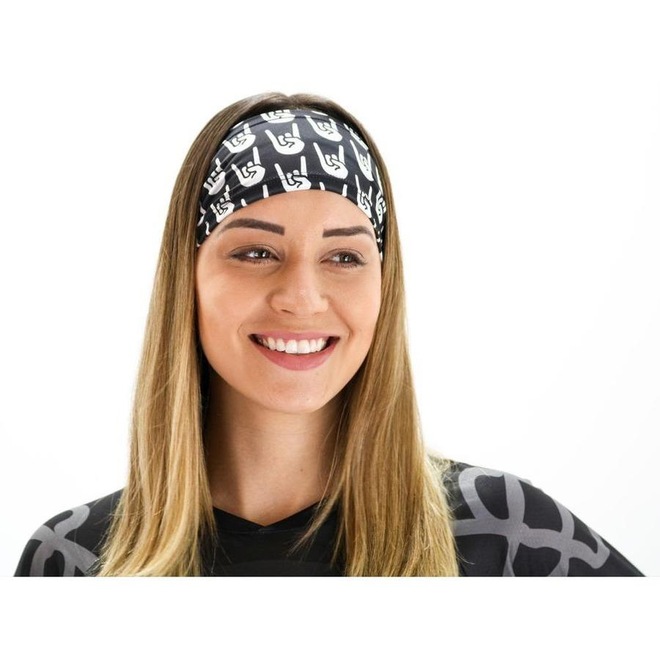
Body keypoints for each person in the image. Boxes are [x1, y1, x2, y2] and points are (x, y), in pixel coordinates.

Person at [14, 93, 643, 577]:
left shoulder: (506, 537)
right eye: (256, 252)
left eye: (344, 257)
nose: (303, 297)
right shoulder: (76, 562)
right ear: (188, 278)